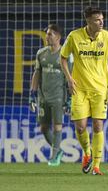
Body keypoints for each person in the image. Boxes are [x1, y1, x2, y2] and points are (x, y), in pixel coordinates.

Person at [60, 6, 108, 175]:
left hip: (100, 89)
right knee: (80, 127)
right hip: (79, 89)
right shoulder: (74, 36)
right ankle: (87, 152)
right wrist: (69, 79)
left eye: (102, 19)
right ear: (88, 21)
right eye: (97, 20)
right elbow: (63, 58)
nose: (101, 22)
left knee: (98, 125)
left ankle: (96, 166)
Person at [29, 24, 69, 167]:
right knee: (44, 128)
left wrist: (69, 99)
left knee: (58, 126)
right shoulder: (41, 53)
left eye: (50, 34)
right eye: (46, 34)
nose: (46, 36)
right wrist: (32, 94)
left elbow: (70, 77)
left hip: (58, 96)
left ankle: (54, 158)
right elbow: (36, 74)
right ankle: (58, 152)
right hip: (43, 96)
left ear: (58, 37)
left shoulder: (66, 55)